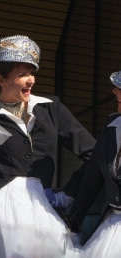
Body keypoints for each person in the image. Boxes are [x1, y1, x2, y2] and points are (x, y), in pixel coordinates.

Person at [0, 35, 96, 258]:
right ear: (0, 79)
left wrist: (66, 195)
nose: (31, 80)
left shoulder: (50, 109)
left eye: (31, 73)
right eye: (22, 74)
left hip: (43, 212)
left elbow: (94, 153)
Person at [68, 70, 121, 258]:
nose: (115, 91)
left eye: (120, 88)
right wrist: (72, 223)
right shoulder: (112, 125)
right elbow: (92, 178)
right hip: (111, 227)